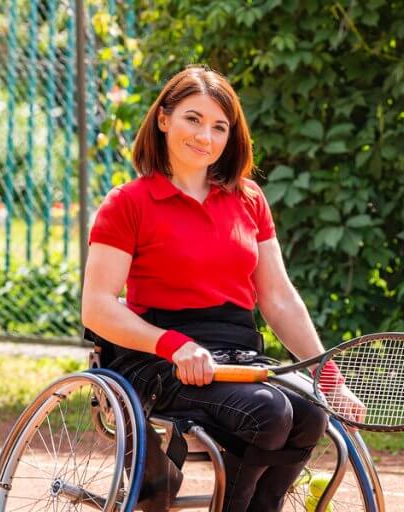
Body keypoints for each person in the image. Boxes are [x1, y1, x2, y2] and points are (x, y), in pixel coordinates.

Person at [81, 65, 364, 512]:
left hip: (238, 353)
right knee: (269, 413)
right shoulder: (127, 204)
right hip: (158, 358)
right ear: (163, 119)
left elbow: (279, 298)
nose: (205, 137)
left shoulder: (248, 198)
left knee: (309, 413)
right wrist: (175, 346)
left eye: (219, 126)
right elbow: (96, 308)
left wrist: (328, 377)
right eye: (192, 119)